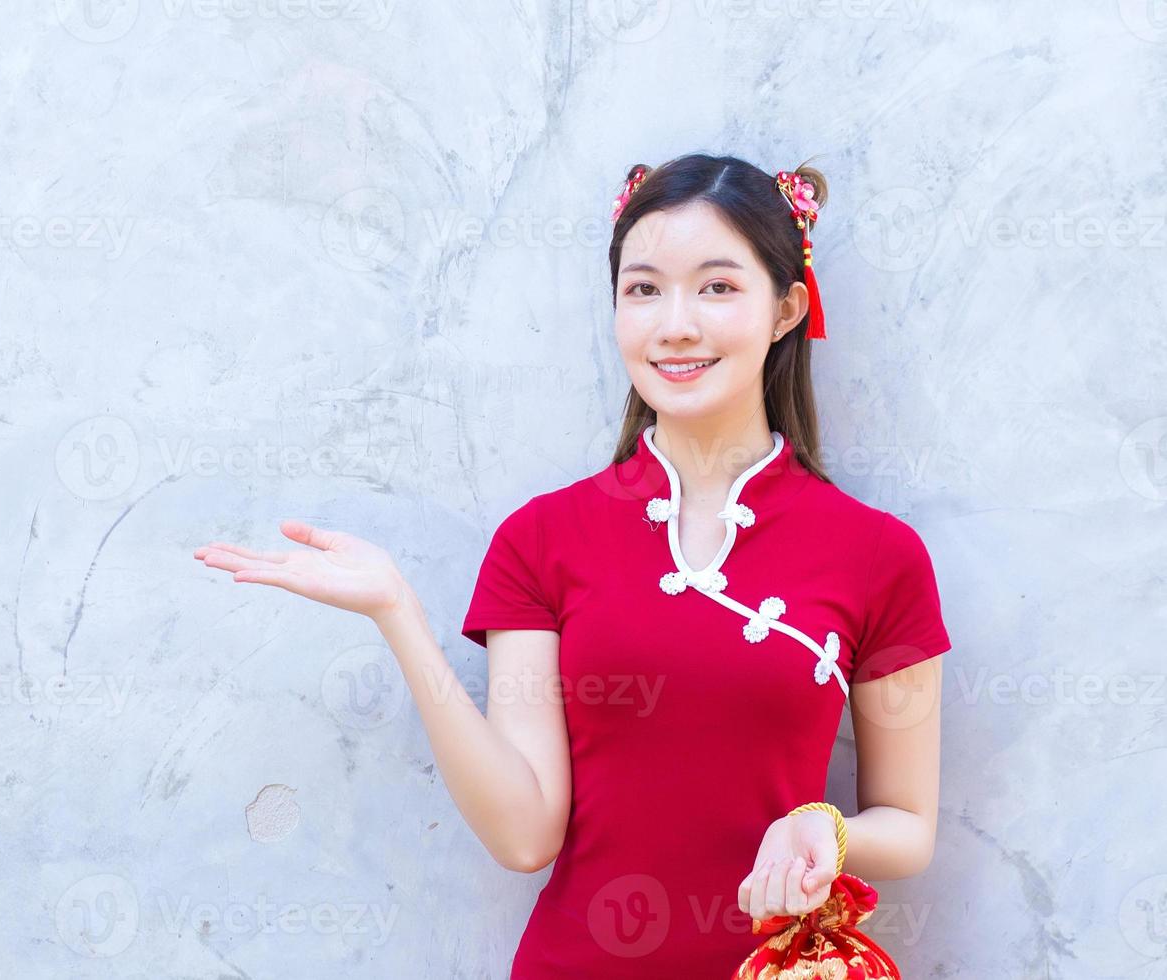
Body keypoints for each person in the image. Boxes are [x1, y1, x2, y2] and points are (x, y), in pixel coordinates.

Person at [194, 152, 952, 978]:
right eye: (643, 288)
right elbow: (525, 834)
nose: (676, 324)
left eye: (718, 287)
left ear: (787, 310)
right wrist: (397, 615)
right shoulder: (541, 541)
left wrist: (829, 829)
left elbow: (908, 826)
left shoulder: (880, 555)